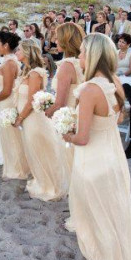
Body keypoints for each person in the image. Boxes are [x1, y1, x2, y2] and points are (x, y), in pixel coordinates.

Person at [62, 33, 131, 260]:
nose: (78, 57)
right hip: (113, 159)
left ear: (91, 56)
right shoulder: (114, 82)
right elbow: (117, 118)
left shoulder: (90, 89)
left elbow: (82, 137)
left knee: (98, 218)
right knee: (115, 215)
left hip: (93, 162)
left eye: (81, 53)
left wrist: (64, 133)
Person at [13, 39, 69, 201]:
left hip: (33, 119)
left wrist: (20, 117)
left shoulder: (36, 73)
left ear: (27, 52)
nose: (16, 52)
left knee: (40, 150)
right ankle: (42, 180)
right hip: (27, 118)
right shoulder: (26, 71)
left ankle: (50, 185)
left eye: (19, 50)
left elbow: (31, 99)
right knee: (33, 150)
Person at [44, 23, 85, 185]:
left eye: (57, 37)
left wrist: (47, 111)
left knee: (66, 155)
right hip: (78, 114)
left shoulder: (66, 66)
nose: (54, 40)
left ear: (65, 40)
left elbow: (60, 102)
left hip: (65, 118)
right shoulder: (81, 62)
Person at [0, 31, 30, 179]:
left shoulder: (10, 63)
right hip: (2, 103)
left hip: (6, 104)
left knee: (12, 138)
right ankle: (13, 166)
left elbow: (6, 90)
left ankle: (18, 169)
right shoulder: (6, 61)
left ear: (6, 45)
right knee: (8, 138)